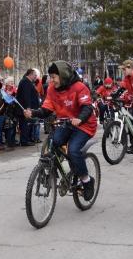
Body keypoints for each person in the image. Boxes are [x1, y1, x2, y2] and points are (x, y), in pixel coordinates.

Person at [24, 60, 97, 200]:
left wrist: (80, 119)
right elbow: (46, 109)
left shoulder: (79, 87)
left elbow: (87, 107)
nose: (51, 80)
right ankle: (59, 170)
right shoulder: (51, 89)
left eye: (54, 77)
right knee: (55, 142)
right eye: (50, 77)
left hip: (84, 125)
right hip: (66, 123)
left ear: (63, 75)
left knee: (74, 150)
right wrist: (32, 112)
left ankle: (87, 181)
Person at [16, 69, 40, 146]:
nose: (35, 77)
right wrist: (28, 107)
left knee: (27, 124)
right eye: (35, 75)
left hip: (26, 108)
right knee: (24, 125)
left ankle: (27, 139)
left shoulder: (28, 81)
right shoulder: (25, 82)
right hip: (24, 109)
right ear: (30, 74)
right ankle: (24, 141)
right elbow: (26, 96)